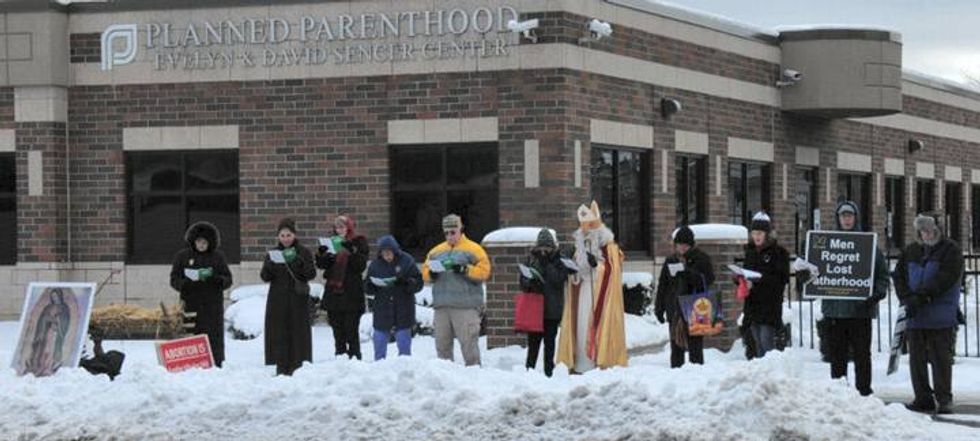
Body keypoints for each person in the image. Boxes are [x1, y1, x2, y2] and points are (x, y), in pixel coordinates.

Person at [803, 201, 888, 396]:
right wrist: (804, 276)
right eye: (843, 216)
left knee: (862, 355)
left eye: (850, 216)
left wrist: (877, 293)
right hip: (835, 310)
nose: (847, 219)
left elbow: (882, 275)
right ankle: (839, 392)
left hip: (861, 311)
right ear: (838, 219)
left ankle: (864, 391)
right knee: (837, 355)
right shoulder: (827, 245)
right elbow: (813, 273)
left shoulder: (868, 245)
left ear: (856, 218)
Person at [893, 212, 963, 414]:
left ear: (938, 229)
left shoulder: (951, 251)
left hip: (941, 316)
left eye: (930, 230)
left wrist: (922, 297)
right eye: (922, 230)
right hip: (915, 314)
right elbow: (899, 276)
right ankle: (922, 398)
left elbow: (945, 279)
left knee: (941, 359)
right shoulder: (911, 250)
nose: (926, 234)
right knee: (917, 360)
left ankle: (944, 398)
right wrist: (906, 298)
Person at [558, 201, 628, 373]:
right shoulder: (579, 246)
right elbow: (577, 272)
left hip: (602, 295)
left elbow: (612, 271)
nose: (587, 236)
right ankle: (582, 362)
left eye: (590, 233)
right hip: (584, 291)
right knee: (581, 325)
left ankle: (599, 359)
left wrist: (596, 266)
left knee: (596, 325)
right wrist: (573, 271)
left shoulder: (609, 247)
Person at [422, 214, 491, 366]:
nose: (449, 236)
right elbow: (425, 273)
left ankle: (475, 376)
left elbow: (484, 271)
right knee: (442, 346)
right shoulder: (435, 251)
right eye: (446, 233)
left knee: (469, 346)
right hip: (442, 306)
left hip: (466, 306)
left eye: (453, 232)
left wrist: (465, 269)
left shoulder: (474, 249)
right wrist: (431, 273)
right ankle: (448, 379)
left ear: (461, 229)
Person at [169, 221, 233, 367]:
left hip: (212, 306)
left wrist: (215, 279)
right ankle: (191, 363)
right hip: (190, 304)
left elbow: (228, 279)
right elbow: (174, 279)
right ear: (193, 241)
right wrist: (185, 283)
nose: (202, 245)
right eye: (199, 241)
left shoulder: (218, 257)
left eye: (205, 242)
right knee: (191, 333)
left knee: (213, 336)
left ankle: (216, 363)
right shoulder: (182, 256)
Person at [262, 218, 317, 376]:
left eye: (288, 235)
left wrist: (298, 261)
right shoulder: (273, 253)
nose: (286, 238)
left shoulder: (303, 252)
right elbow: (265, 276)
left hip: (297, 298)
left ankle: (299, 363)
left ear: (294, 235)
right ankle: (281, 364)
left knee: (298, 330)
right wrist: (271, 265)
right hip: (277, 300)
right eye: (282, 235)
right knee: (279, 332)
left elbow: (310, 274)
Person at [518, 228, 576, 377]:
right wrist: (530, 283)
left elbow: (558, 280)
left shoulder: (559, 260)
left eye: (547, 248)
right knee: (533, 344)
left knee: (549, 344)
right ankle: (529, 371)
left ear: (552, 247)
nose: (543, 251)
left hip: (552, 309)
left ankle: (548, 373)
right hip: (535, 309)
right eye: (541, 247)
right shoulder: (531, 259)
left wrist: (547, 265)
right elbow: (522, 281)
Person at [655, 225, 715, 368]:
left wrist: (687, 273)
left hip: (695, 308)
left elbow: (707, 280)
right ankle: (677, 378)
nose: (682, 248)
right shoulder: (671, 260)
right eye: (679, 244)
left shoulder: (701, 259)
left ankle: (697, 378)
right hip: (675, 309)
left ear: (691, 245)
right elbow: (663, 285)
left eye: (685, 245)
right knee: (676, 348)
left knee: (695, 348)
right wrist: (659, 307)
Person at [317, 215, 369, 360]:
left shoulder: (359, 242)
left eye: (342, 227)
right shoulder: (332, 242)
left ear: (349, 228)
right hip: (334, 293)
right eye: (337, 227)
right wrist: (322, 254)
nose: (339, 230)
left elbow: (360, 266)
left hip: (351, 293)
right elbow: (323, 265)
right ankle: (340, 358)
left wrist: (352, 251)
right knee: (337, 331)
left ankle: (355, 359)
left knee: (351, 331)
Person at [365, 235, 423, 360]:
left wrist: (406, 282)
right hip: (382, 309)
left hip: (403, 308)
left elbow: (419, 283)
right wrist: (372, 286)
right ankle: (380, 370)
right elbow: (367, 286)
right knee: (379, 342)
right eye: (384, 253)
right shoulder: (375, 265)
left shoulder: (407, 261)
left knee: (403, 345)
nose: (387, 256)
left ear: (395, 250)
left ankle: (405, 370)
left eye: (389, 252)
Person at [741, 212, 789, 359]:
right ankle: (761, 376)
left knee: (766, 343)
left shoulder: (778, 253)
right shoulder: (750, 253)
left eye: (760, 233)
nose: (757, 236)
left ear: (767, 234)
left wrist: (758, 279)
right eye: (754, 233)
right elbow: (746, 272)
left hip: (769, 305)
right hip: (752, 306)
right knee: (756, 344)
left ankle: (771, 376)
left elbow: (781, 279)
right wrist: (740, 280)